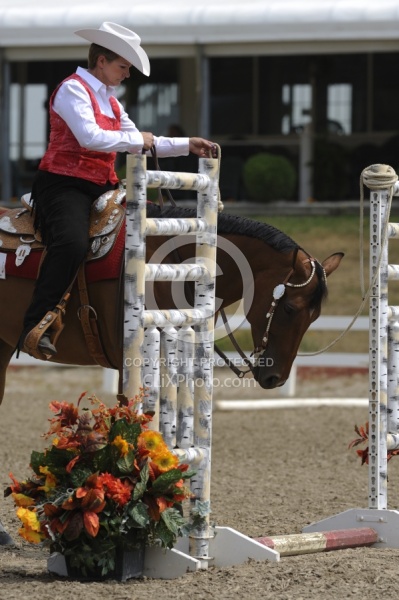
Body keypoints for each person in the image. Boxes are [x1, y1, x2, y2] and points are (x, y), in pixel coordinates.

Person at [20, 22, 217, 358]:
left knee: (144, 234)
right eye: (123, 66)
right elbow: (91, 137)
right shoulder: (73, 90)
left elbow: (141, 141)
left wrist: (188, 145)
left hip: (102, 184)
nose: (127, 74)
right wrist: (139, 140)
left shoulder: (110, 101)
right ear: (101, 61)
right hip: (64, 185)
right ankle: (36, 322)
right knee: (71, 242)